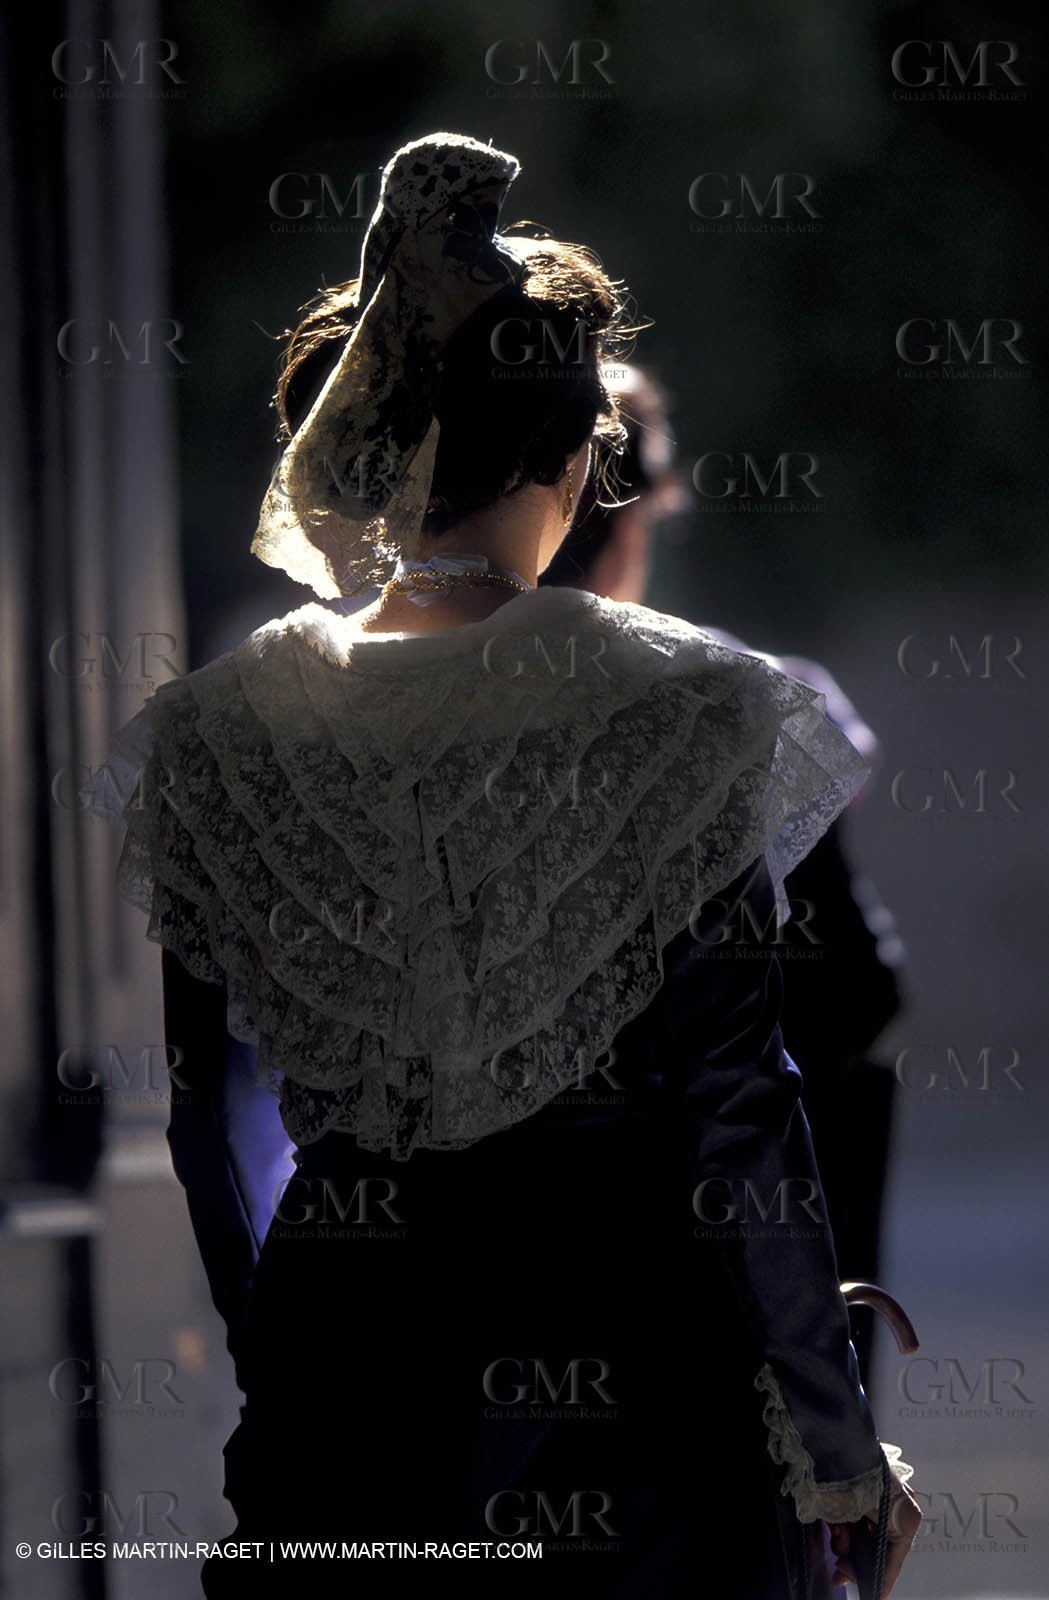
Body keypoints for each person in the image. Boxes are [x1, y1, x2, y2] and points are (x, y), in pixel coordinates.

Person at [84, 132, 919, 1598]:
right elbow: (741, 1113)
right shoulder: (685, 703)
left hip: (348, 1377)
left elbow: (203, 1126)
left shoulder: (216, 736)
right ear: (562, 456)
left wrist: (286, 1360)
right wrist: (836, 1441)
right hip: (639, 1387)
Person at [540, 365, 906, 1382]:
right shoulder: (729, 700)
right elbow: (854, 990)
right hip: (704, 1264)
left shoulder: (375, 706)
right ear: (625, 521)